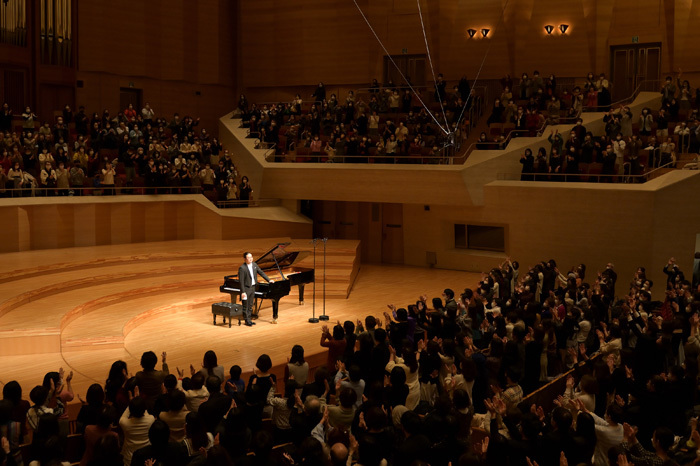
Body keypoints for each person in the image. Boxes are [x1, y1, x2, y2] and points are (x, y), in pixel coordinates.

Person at [238, 252, 274, 326]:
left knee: (251, 305)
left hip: (253, 288)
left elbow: (261, 272)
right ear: (245, 259)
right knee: (246, 305)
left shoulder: (254, 265)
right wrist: (243, 292)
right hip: (246, 289)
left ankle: (249, 319)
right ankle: (247, 321)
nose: (251, 258)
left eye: (251, 257)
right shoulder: (242, 268)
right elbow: (241, 281)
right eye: (249, 257)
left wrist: (269, 280)